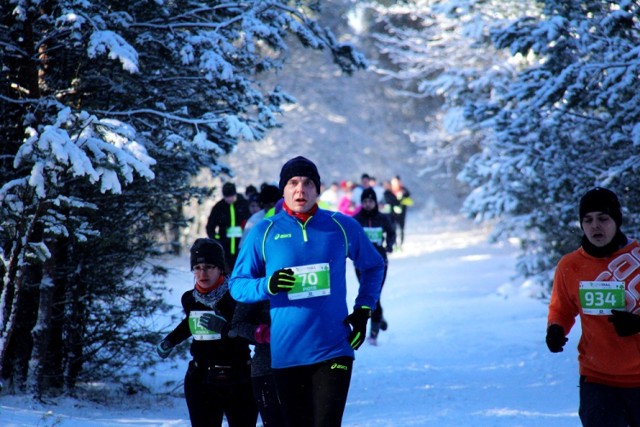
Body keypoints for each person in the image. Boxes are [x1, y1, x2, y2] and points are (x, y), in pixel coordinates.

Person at [229, 156, 385, 427]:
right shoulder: (263, 232)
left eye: (307, 183)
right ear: (283, 189)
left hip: (334, 349)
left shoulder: (341, 226)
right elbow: (237, 285)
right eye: (293, 183)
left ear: (318, 189)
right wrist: (267, 285)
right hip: (287, 353)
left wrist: (363, 309)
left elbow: (373, 266)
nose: (300, 189)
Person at [545, 187, 640, 427]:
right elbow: (562, 308)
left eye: (603, 218)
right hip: (598, 379)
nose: (595, 226)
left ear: (617, 221)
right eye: (588, 220)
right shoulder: (570, 265)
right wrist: (556, 329)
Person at [156, 238, 257, 427]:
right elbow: (190, 323)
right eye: (198, 267)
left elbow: (251, 332)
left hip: (239, 379)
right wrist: (170, 341)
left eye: (209, 266)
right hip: (201, 379)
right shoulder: (189, 299)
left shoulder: (237, 296)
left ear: (221, 268)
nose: (203, 273)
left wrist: (226, 329)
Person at [230, 300, 285, 426]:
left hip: (311, 365)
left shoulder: (312, 282)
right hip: (267, 368)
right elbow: (238, 324)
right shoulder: (257, 283)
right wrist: (263, 333)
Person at [353, 187, 396, 345]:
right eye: (365, 201)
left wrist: (389, 245)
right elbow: (351, 238)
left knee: (374, 295)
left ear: (375, 202)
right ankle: (379, 316)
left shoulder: (382, 218)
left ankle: (374, 333)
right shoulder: (356, 220)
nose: (368, 204)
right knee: (370, 295)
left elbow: (392, 233)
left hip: (380, 263)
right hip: (361, 264)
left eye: (370, 201)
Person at [206, 182, 251, 271]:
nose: (230, 199)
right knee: (226, 272)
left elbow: (252, 222)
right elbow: (210, 227)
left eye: (232, 196)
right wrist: (217, 239)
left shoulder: (244, 204)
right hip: (225, 249)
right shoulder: (219, 207)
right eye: (227, 197)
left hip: (242, 246)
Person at [390, 175, 413, 248]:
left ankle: (401, 244)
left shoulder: (404, 190)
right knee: (393, 229)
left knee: (401, 229)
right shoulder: (390, 190)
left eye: (396, 182)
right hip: (393, 214)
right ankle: (395, 244)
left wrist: (402, 200)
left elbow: (410, 201)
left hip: (402, 213)